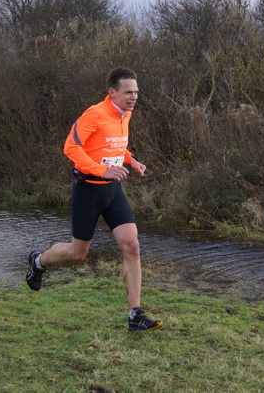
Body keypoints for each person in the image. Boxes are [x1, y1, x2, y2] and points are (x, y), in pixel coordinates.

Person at [26, 67, 163, 332]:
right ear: (112, 92)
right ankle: (38, 261)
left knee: (131, 245)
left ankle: (135, 314)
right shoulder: (94, 114)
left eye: (136, 92)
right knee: (78, 253)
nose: (133, 97)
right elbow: (71, 147)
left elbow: (113, 144)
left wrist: (130, 160)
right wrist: (101, 170)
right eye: (128, 93)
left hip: (112, 190)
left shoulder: (125, 113)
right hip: (88, 190)